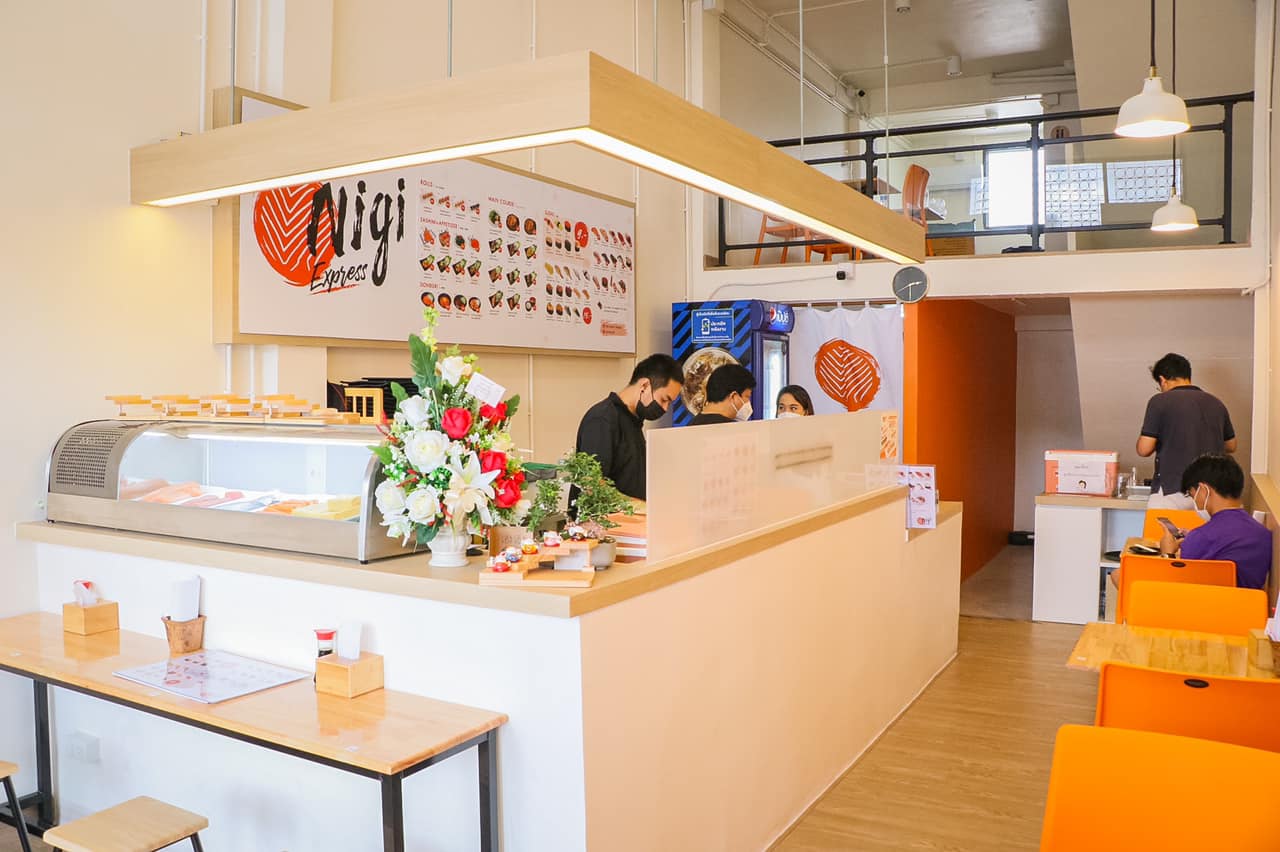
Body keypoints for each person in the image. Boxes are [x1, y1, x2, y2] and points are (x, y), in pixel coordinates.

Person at [574, 353, 683, 500]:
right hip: (610, 516)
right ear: (644, 386)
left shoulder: (633, 420)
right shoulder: (602, 419)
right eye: (664, 400)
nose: (665, 408)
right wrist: (638, 506)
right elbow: (592, 485)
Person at [1157, 453, 1271, 590]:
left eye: (1192, 495)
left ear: (1203, 490)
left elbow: (1177, 587)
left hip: (1206, 602)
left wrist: (1167, 554)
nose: (1194, 502)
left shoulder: (1200, 537)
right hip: (1250, 603)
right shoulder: (1264, 535)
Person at [1137, 352, 1236, 509]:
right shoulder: (1216, 403)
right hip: (1210, 493)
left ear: (1162, 380)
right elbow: (1231, 446)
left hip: (1172, 489)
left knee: (1163, 526)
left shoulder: (1159, 402)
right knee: (1202, 527)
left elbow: (1144, 449)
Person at [690, 364, 756, 426]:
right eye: (747, 397)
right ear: (733, 396)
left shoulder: (690, 426)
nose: (748, 402)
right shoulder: (737, 431)